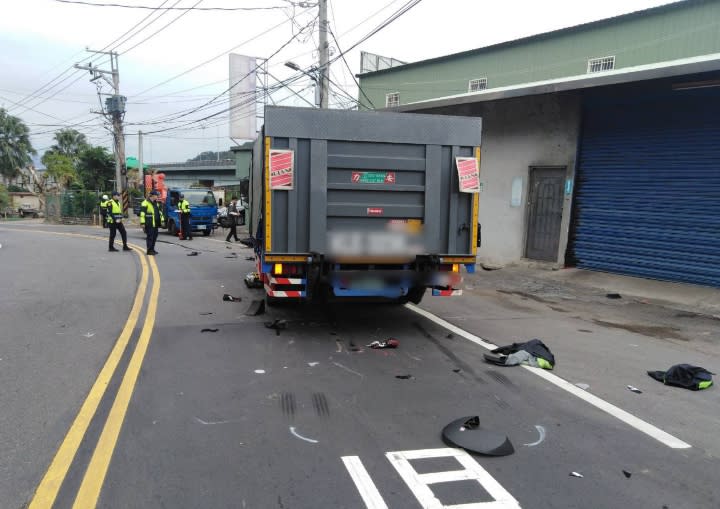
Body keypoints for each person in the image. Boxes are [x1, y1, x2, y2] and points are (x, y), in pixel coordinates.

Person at [140, 190, 164, 255]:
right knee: (150, 237)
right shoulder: (145, 203)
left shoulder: (156, 203)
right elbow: (142, 214)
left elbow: (160, 213)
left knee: (154, 237)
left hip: (155, 223)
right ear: (152, 195)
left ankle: (152, 249)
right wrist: (142, 223)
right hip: (149, 223)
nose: (157, 197)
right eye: (156, 195)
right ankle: (149, 250)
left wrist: (162, 221)